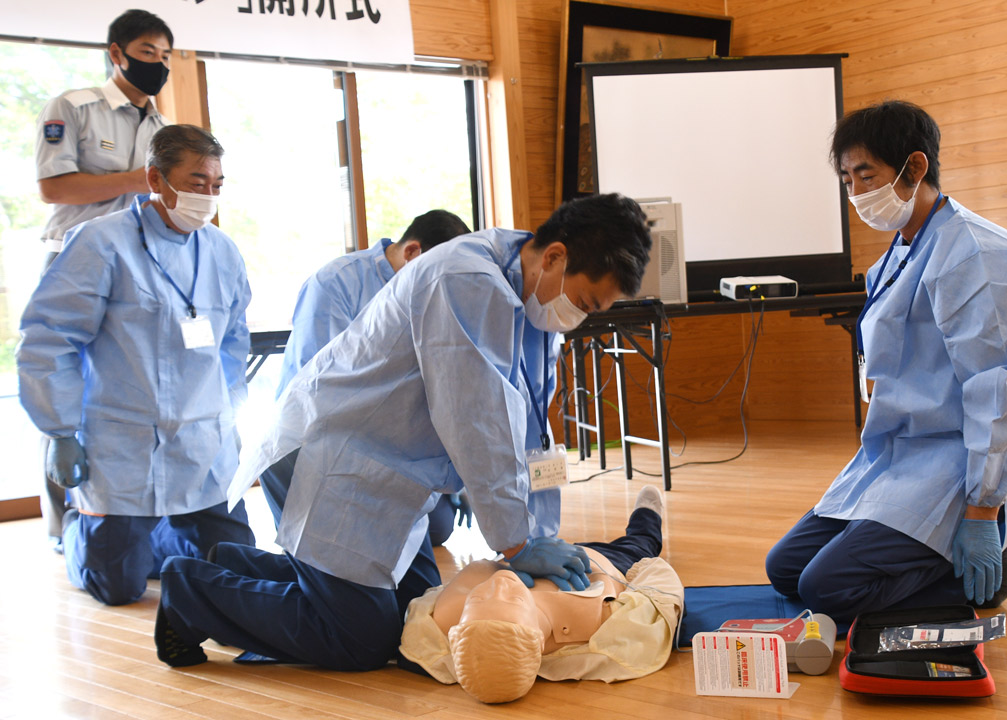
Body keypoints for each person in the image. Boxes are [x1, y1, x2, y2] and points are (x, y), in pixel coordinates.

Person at [154, 192, 653, 670]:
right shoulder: (466, 278)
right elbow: (476, 420)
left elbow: (528, 433)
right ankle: (191, 591)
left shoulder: (530, 297)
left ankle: (241, 569)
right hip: (335, 457)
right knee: (362, 640)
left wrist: (537, 535)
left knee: (415, 621)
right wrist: (517, 543)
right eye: (585, 301)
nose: (578, 317)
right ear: (556, 255)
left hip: (390, 471)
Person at [765, 100, 1007, 623]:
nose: (856, 193)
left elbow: (1000, 390)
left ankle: (982, 576)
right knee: (785, 569)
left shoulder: (979, 255)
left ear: (914, 167)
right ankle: (938, 562)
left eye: (865, 175)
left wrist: (984, 510)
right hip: (895, 457)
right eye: (847, 180)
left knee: (825, 590)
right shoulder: (901, 251)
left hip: (955, 466)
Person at [18, 124, 255, 606]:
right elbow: (48, 340)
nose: (207, 197)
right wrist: (61, 432)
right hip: (122, 444)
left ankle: (161, 536)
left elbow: (233, 341)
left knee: (237, 569)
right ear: (155, 179)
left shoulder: (222, 250)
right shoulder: (101, 242)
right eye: (195, 184)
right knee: (118, 588)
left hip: (200, 442)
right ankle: (79, 533)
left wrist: (229, 412)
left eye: (216, 186)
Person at [34, 8, 174, 549]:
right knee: (61, 387)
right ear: (116, 54)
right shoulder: (74, 108)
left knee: (135, 388)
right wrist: (138, 180)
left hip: (139, 266)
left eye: (164, 57)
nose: (157, 66)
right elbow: (56, 190)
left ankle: (130, 521)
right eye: (147, 54)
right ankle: (59, 526)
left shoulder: (163, 127)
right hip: (72, 261)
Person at [260, 209, 471, 536]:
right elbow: (323, 394)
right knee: (343, 557)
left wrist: (459, 478)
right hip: (316, 443)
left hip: (388, 441)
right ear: (412, 252)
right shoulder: (335, 283)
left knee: (437, 530)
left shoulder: (428, 290)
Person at [399, 486, 682, 704]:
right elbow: (659, 598)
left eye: (478, 598)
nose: (499, 584)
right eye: (515, 599)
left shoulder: (449, 616)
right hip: (609, 560)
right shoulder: (592, 627)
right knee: (640, 543)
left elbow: (421, 630)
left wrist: (514, 556)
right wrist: (612, 572)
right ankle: (646, 516)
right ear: (536, 635)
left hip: (526, 555)